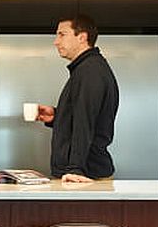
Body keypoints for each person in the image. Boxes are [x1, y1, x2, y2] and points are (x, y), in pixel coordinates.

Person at [36, 14, 119, 183]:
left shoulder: (89, 72)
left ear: (82, 37)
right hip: (83, 173)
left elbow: (85, 122)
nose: (56, 41)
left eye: (62, 34)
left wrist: (76, 169)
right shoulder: (86, 69)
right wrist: (57, 116)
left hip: (84, 176)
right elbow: (84, 116)